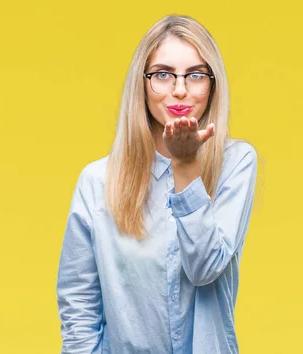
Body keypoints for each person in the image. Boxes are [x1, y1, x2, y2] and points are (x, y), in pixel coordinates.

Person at [56, 14, 258, 354]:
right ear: (142, 81)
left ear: (212, 84)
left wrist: (186, 165)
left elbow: (205, 268)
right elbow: (79, 305)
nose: (179, 89)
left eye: (195, 75)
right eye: (162, 74)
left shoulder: (236, 163)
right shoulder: (97, 181)